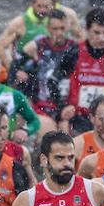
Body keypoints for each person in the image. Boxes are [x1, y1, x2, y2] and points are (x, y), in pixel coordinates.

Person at [46, 6, 104, 117]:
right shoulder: (74, 52)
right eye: (97, 33)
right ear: (87, 30)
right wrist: (62, 107)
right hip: (78, 116)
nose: (102, 38)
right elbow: (52, 82)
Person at [19, 7, 74, 135]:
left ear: (66, 27)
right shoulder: (37, 46)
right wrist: (20, 73)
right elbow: (16, 64)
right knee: (49, 139)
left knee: (67, 141)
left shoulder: (74, 48)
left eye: (62, 28)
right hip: (43, 106)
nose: (59, 33)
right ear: (48, 28)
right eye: (55, 29)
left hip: (66, 107)